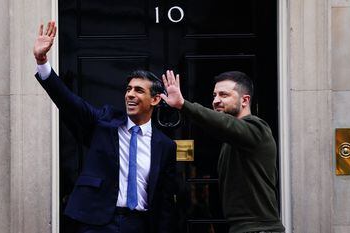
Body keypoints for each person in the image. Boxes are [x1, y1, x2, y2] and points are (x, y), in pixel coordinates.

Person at [33, 21, 177, 233]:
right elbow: (69, 102)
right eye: (128, 89)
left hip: (139, 224)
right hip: (97, 223)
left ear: (154, 100)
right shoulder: (105, 123)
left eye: (138, 90)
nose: (130, 94)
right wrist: (42, 61)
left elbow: (165, 200)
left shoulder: (165, 145)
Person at [161, 70, 285, 233]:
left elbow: (223, 123)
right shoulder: (232, 139)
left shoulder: (257, 129)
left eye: (224, 95)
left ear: (245, 100)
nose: (216, 101)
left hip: (260, 229)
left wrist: (183, 104)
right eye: (214, 95)